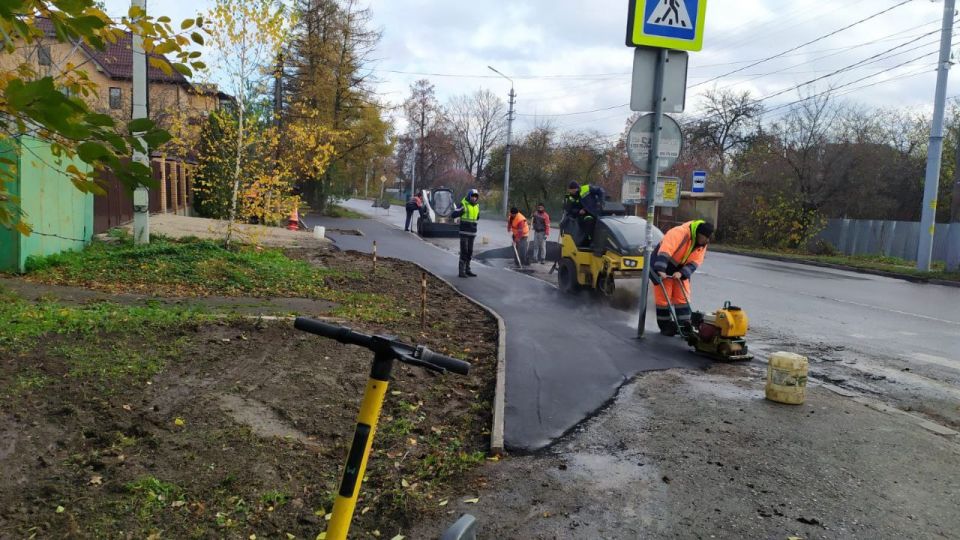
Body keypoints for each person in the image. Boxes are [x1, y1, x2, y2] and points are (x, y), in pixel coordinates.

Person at [650, 220, 715, 336]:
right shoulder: (679, 233)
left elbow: (695, 262)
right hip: (662, 263)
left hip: (679, 269)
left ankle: (684, 325)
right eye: (705, 238)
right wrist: (661, 269)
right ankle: (665, 327)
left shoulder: (702, 244)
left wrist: (682, 273)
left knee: (682, 298)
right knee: (664, 298)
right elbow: (665, 250)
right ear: (699, 234)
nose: (707, 241)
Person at [563, 181, 604, 245]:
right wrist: (578, 211)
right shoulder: (570, 197)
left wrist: (600, 202)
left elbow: (600, 191)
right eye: (570, 190)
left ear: (575, 189)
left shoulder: (586, 188)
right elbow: (570, 210)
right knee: (589, 220)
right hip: (582, 215)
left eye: (571, 190)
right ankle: (592, 241)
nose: (570, 192)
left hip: (594, 211)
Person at [451, 189, 481, 278]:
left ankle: (468, 269)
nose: (474, 198)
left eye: (476, 197)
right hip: (464, 232)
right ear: (469, 196)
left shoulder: (477, 206)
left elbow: (477, 217)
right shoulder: (463, 204)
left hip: (472, 233)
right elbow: (453, 214)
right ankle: (461, 271)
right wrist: (461, 211)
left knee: (470, 251)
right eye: (473, 196)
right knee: (464, 251)